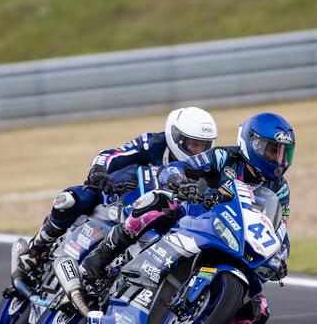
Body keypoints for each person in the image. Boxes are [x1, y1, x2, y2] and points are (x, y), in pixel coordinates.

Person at [80, 112, 295, 324]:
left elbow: (279, 228)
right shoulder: (224, 156)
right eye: (273, 150)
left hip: (232, 238)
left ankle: (205, 311)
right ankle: (100, 257)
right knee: (159, 202)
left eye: (285, 153)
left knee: (257, 317)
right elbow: (175, 168)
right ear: (253, 144)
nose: (279, 160)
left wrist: (280, 256)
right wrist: (181, 183)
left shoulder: (280, 188)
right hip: (194, 215)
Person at [12, 107, 218, 279]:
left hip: (153, 216)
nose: (198, 151)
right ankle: (36, 249)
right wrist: (98, 172)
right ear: (176, 138)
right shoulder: (153, 143)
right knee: (68, 200)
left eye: (204, 146)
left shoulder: (206, 164)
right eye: (194, 145)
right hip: (116, 195)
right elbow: (111, 155)